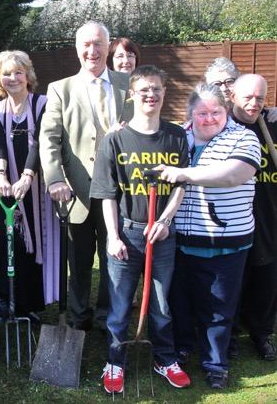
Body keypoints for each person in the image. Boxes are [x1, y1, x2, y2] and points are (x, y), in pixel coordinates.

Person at [90, 65, 190, 394]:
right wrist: (113, 236)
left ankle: (164, 358)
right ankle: (115, 362)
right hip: (127, 234)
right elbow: (106, 193)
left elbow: (180, 186)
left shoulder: (176, 136)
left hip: (161, 234)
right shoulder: (115, 140)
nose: (151, 95)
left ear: (164, 93)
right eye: (144, 89)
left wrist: (165, 221)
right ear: (132, 94)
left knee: (161, 304)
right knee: (119, 306)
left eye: (157, 89)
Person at [160, 83, 261, 389]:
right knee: (181, 301)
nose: (209, 118)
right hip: (180, 240)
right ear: (190, 114)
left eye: (216, 111)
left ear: (226, 111)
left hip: (225, 242)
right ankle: (184, 348)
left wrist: (184, 174)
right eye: (201, 112)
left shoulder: (243, 137)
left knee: (218, 306)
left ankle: (216, 363)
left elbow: (234, 174)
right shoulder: (179, 137)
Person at [39, 21, 134, 331]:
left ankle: (110, 316)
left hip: (118, 193)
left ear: (108, 48)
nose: (92, 51)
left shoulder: (128, 84)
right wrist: (54, 179)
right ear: (77, 49)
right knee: (78, 263)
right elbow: (49, 138)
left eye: (98, 44)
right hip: (76, 192)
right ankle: (79, 318)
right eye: (86, 45)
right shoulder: (60, 89)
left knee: (115, 259)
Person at [0, 50, 58, 323]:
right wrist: (0, 177)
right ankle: (4, 299)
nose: (12, 78)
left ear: (28, 76)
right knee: (5, 240)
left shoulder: (43, 104)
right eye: (6, 74)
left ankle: (29, 303)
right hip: (6, 190)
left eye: (18, 72)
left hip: (36, 189)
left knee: (32, 243)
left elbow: (41, 142)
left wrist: (27, 176)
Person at [228, 74, 276, 361]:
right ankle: (230, 334)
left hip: (269, 215)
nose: (253, 103)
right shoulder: (222, 126)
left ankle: (261, 333)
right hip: (233, 215)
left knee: (267, 279)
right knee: (233, 280)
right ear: (233, 94)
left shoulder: (272, 124)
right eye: (247, 96)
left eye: (260, 98)